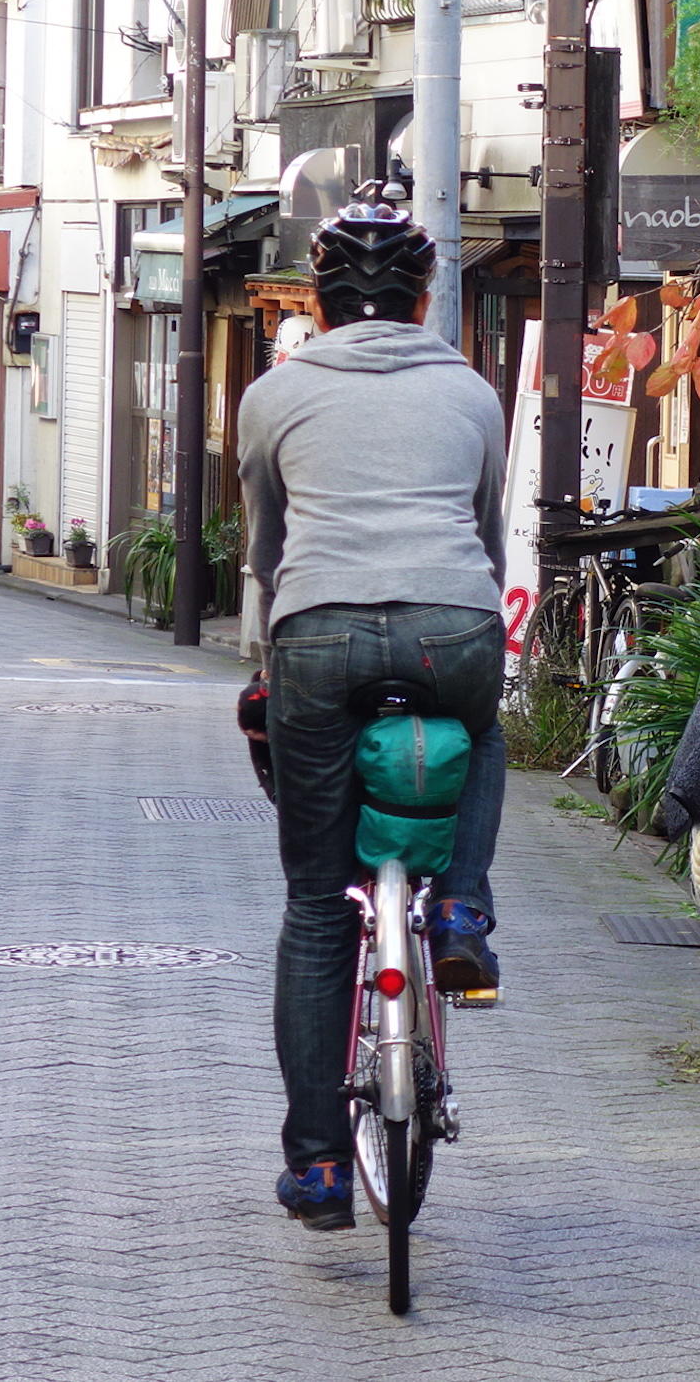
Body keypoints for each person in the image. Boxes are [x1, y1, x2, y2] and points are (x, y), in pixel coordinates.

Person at [235, 183, 509, 1232]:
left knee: (315, 903)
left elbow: (266, 539)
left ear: (315, 291)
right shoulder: (473, 393)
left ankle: (316, 1165)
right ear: (426, 293)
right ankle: (462, 907)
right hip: (454, 626)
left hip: (317, 633)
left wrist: (274, 631)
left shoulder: (275, 394)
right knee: (480, 733)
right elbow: (484, 533)